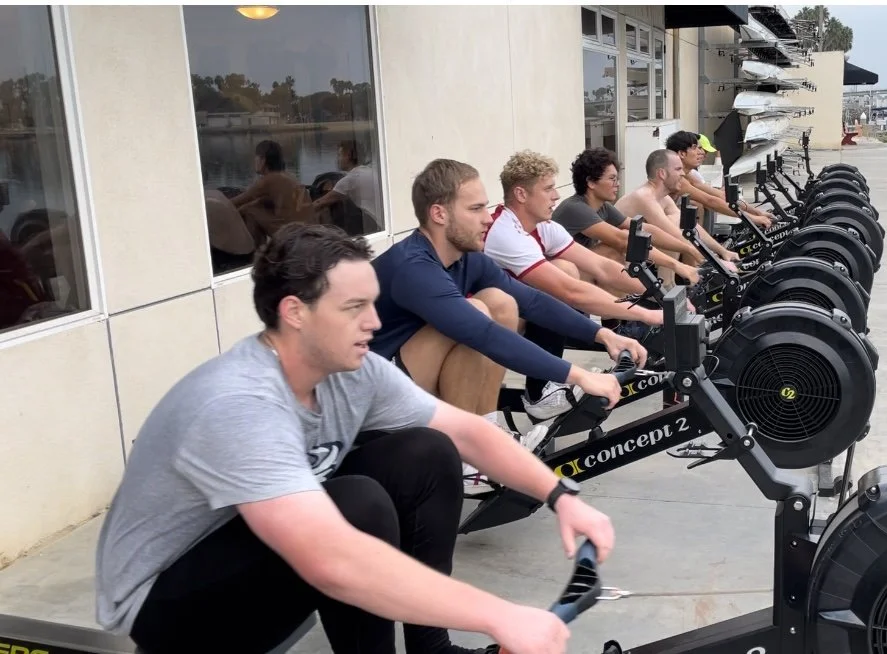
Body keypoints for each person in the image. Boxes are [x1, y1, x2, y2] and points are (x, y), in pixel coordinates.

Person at [94, 223, 616, 654]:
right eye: (354, 308)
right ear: (295, 312)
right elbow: (332, 560)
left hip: (252, 554)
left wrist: (561, 497)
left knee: (425, 452)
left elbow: (467, 433)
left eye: (373, 302)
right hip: (166, 608)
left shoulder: (353, 368)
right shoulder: (238, 404)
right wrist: (501, 617)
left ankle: (429, 649)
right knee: (355, 505)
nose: (374, 321)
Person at [369, 158, 646, 434]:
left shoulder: (468, 259)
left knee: (500, 302)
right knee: (478, 312)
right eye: (476, 209)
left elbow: (533, 301)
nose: (488, 218)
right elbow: (485, 334)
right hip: (373, 403)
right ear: (439, 214)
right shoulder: (414, 266)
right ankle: (468, 446)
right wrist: (580, 376)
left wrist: (603, 335)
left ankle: (490, 431)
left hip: (407, 379)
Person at [483, 150, 662, 403]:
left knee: (567, 268)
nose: (556, 195)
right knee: (557, 283)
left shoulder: (544, 227)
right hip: (485, 318)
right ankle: (538, 393)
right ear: (521, 194)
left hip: (513, 309)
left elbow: (602, 267)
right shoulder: (505, 232)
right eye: (548, 189)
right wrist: (647, 314)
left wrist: (661, 295)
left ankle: (551, 380)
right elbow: (569, 291)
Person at [551, 147, 702, 284]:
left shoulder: (604, 207)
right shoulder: (575, 208)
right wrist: (676, 264)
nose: (617, 184)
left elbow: (647, 230)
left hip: (578, 270)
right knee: (610, 251)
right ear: (591, 182)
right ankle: (634, 306)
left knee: (625, 242)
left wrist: (689, 248)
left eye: (617, 178)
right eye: (612, 179)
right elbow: (622, 240)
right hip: (559, 276)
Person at [614, 149, 738, 284]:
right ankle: (668, 286)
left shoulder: (662, 198)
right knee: (671, 230)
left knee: (676, 221)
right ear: (662, 173)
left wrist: (722, 251)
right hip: (618, 260)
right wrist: (715, 260)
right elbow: (673, 234)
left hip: (636, 253)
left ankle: (670, 284)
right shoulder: (644, 197)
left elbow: (690, 228)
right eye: (678, 169)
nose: (683, 173)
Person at [665, 131, 774, 229]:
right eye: (695, 148)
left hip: (670, 225)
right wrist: (753, 219)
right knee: (697, 205)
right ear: (682, 154)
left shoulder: (689, 175)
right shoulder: (676, 177)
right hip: (662, 231)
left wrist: (758, 213)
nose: (701, 152)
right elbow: (710, 200)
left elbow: (720, 196)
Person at [312, 139, 382, 232]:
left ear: (348, 156)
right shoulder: (369, 171)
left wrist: (298, 213)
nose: (337, 159)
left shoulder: (352, 179)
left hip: (371, 226)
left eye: (339, 155)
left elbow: (319, 203)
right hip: (380, 223)